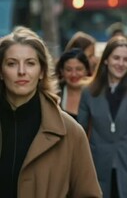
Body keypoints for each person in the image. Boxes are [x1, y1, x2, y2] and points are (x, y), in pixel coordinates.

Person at [0, 27, 101, 197]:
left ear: (42, 71)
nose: (22, 71)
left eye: (30, 63)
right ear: (1, 72)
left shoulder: (70, 132)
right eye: (12, 63)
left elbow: (88, 194)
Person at [77, 35, 127, 197]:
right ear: (106, 60)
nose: (121, 64)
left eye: (126, 60)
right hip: (97, 169)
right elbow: (81, 133)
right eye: (116, 58)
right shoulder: (88, 92)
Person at [55, 48, 91, 119]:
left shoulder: (96, 94)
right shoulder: (53, 95)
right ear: (61, 71)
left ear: (87, 70)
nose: (74, 74)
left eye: (79, 69)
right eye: (68, 70)